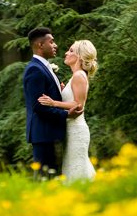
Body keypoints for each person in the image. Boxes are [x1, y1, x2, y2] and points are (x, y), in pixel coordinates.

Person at [22, 27, 80, 176]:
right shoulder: (35, 69)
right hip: (44, 134)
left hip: (50, 133)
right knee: (46, 178)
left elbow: (49, 98)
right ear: (40, 45)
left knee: (52, 178)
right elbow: (39, 106)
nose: (55, 45)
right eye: (51, 41)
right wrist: (67, 114)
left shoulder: (44, 68)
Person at [39, 39, 98, 182]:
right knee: (75, 167)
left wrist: (54, 103)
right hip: (71, 130)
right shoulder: (76, 76)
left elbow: (78, 105)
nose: (66, 53)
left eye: (71, 50)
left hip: (76, 130)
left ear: (80, 56)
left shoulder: (79, 76)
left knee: (76, 169)